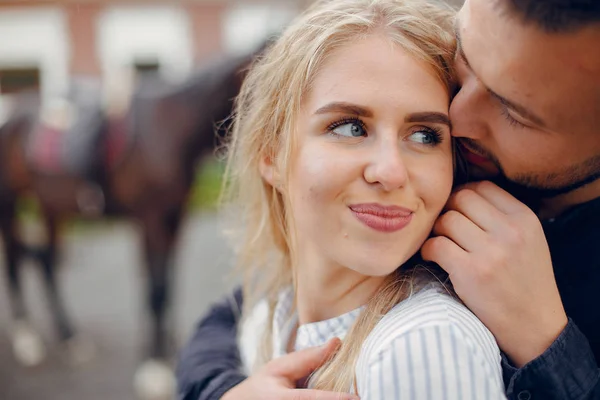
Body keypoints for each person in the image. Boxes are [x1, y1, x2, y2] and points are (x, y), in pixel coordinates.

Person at [177, 0, 600, 399]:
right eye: (466, 65)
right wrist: (224, 389)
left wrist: (552, 350)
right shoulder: (281, 307)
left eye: (514, 112)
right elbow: (233, 319)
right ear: (270, 153)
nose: (459, 118)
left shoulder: (426, 341)